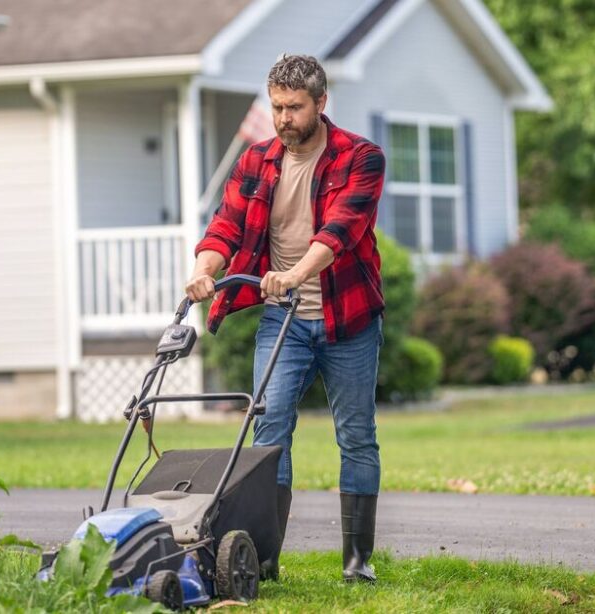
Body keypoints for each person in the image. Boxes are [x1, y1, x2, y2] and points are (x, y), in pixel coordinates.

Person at [185, 54, 386, 583]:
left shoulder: (361, 158)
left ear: (321, 103)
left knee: (357, 434)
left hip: (349, 320)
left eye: (294, 108)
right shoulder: (256, 161)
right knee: (269, 429)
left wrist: (295, 272)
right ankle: (266, 559)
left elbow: (342, 230)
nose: (283, 118)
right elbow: (225, 226)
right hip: (284, 320)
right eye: (276, 107)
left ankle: (357, 562)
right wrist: (205, 270)